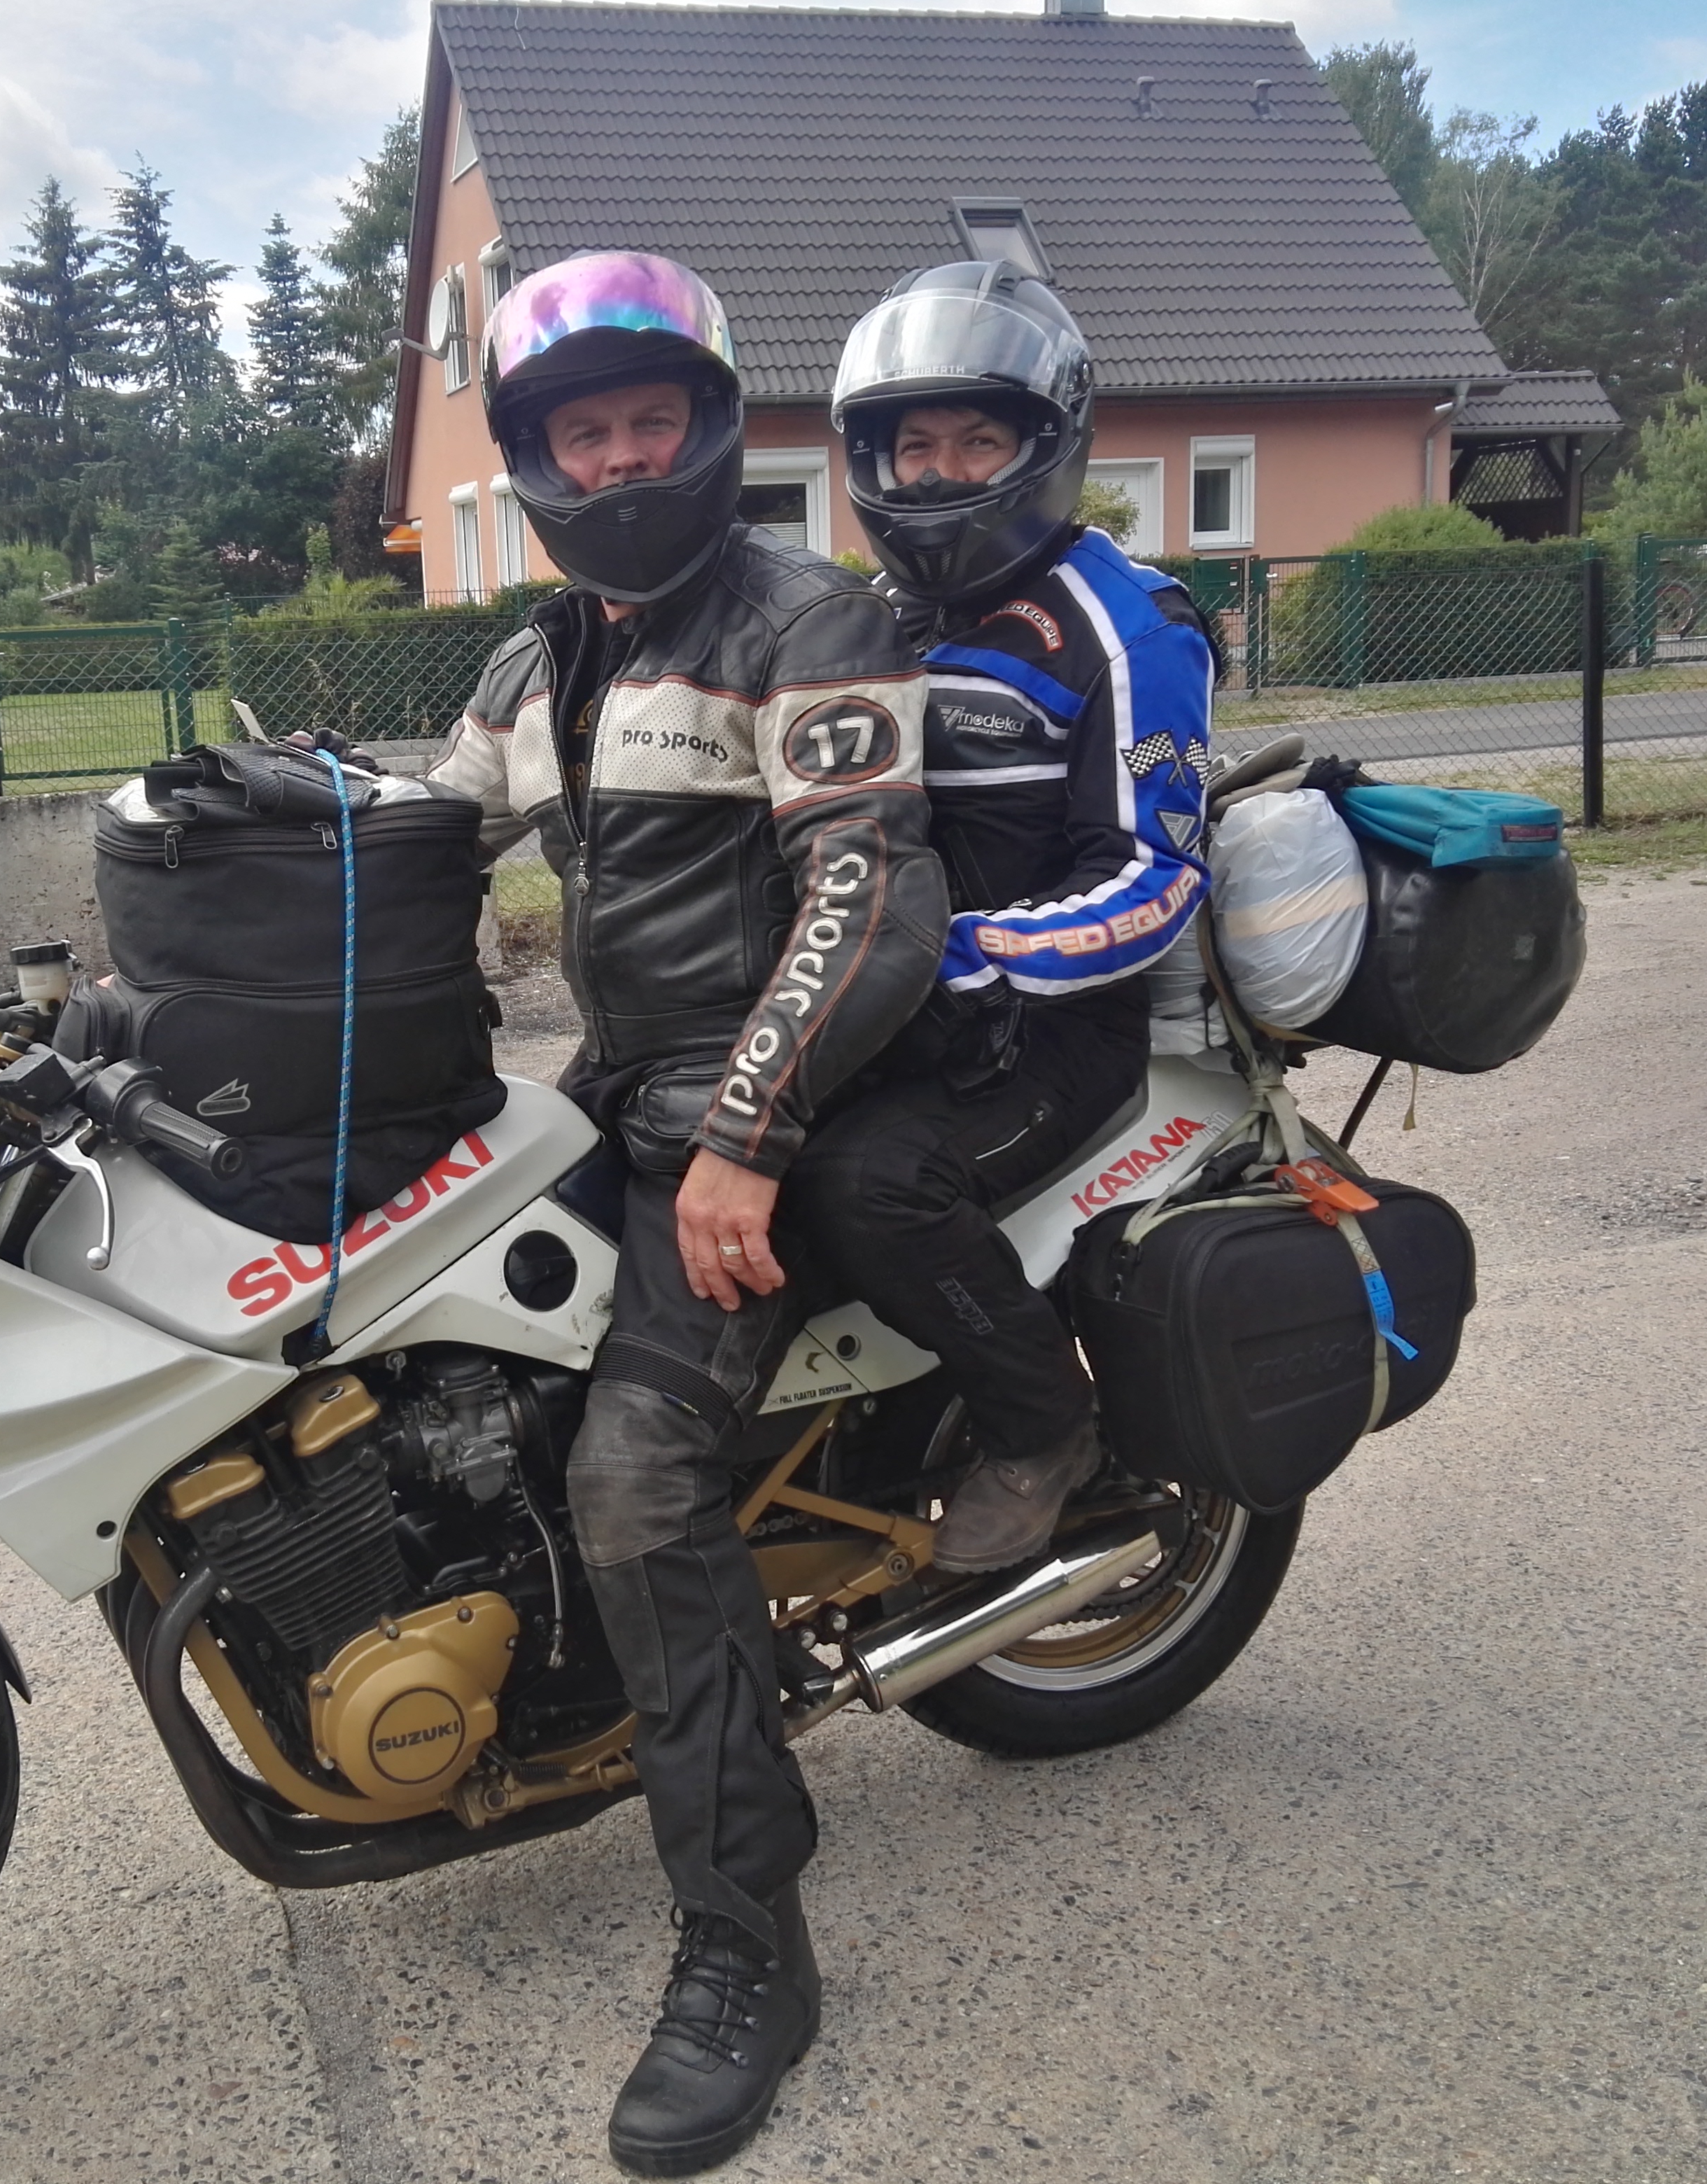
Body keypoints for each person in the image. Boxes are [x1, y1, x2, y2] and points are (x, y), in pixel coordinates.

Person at [428, 251, 947, 2177]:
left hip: (783, 1111)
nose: (622, 457)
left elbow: (869, 892)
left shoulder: (811, 620)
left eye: (653, 420)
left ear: (713, 431)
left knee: (639, 1478)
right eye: (586, 430)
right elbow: (414, 845)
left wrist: (747, 1129)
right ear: (537, 457)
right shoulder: (537, 664)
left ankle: (747, 1946)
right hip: (620, 1093)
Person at [782, 260, 1218, 1574]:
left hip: (1049, 1034)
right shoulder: (868, 619)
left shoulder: (1126, 625)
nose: (939, 473)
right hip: (882, 1011)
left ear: (1046, 445)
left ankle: (1044, 1426)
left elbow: (1156, 877)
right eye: (912, 446)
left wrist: (961, 962)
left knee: (870, 1187)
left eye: (976, 440)